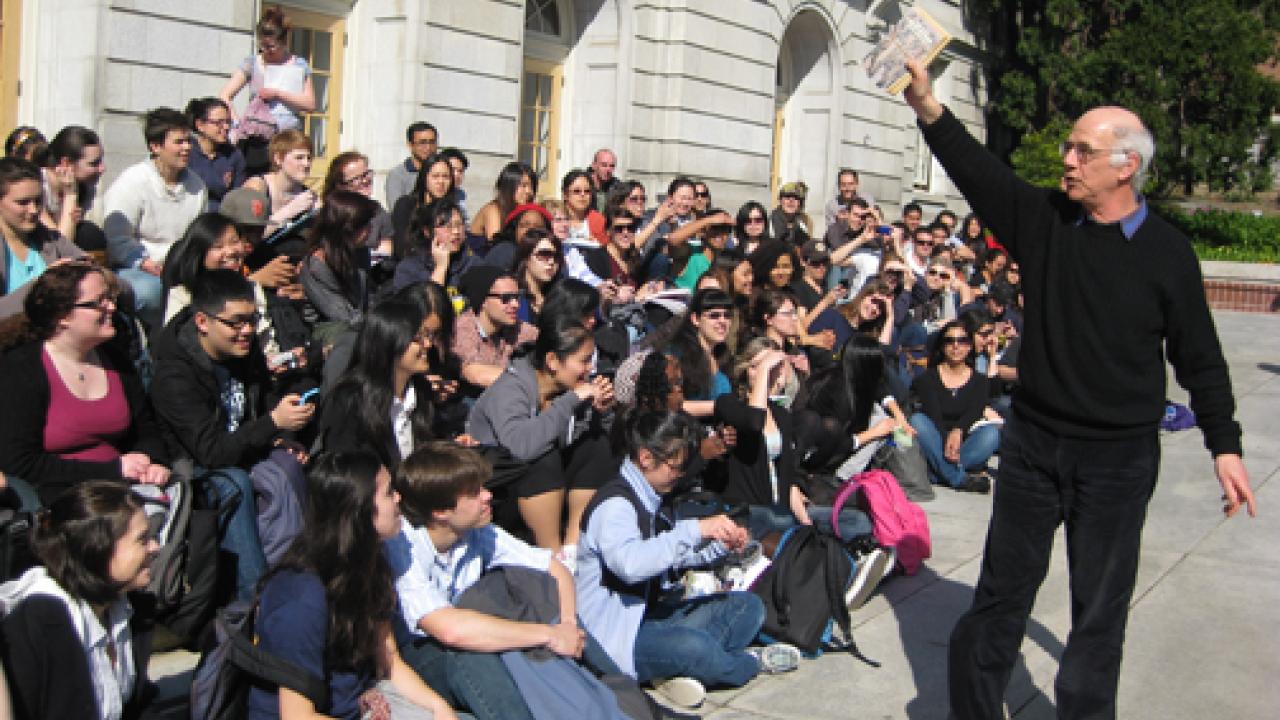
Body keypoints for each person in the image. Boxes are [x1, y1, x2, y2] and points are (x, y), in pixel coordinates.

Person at [902, 60, 1255, 719]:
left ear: (1124, 166)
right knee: (1000, 597)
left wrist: (1224, 444)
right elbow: (980, 174)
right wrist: (928, 106)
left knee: (1098, 615)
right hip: (1034, 444)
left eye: (1081, 150)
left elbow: (1199, 359)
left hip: (1116, 460)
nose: (1066, 159)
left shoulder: (1168, 254)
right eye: (1069, 145)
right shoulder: (1046, 221)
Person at [576, 410, 799, 710]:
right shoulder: (616, 506)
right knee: (695, 647)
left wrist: (720, 546)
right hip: (618, 637)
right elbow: (631, 565)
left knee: (747, 607)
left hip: (654, 615)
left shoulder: (653, 497)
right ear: (645, 457)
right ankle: (743, 663)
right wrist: (695, 529)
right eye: (676, 466)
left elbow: (673, 558)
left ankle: (676, 669)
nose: (680, 474)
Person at [387, 443, 591, 720]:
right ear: (441, 512)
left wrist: (567, 623)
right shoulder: (405, 548)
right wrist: (550, 635)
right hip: (420, 655)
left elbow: (554, 567)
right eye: (474, 493)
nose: (488, 496)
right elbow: (449, 630)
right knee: (471, 652)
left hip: (466, 634)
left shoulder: (478, 532)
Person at [249, 451, 457, 720]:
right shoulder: (301, 597)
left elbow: (388, 659)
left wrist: (440, 709)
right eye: (388, 493)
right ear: (359, 509)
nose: (398, 498)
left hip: (359, 704)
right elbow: (297, 716)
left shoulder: (370, 564)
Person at [150, 269, 315, 600]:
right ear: (202, 321)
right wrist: (272, 422)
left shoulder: (243, 351)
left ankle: (297, 578)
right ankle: (254, 599)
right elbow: (211, 453)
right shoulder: (175, 376)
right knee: (235, 483)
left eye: (252, 320)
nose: (247, 331)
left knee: (288, 464)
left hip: (239, 452)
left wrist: (280, 436)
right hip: (192, 469)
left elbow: (257, 405)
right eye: (236, 322)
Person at [0, 263, 169, 509]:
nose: (111, 307)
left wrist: (153, 463)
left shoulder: (116, 359)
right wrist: (112, 469)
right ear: (63, 316)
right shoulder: (21, 369)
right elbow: (20, 463)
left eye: (110, 299)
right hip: (61, 501)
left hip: (124, 491)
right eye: (98, 302)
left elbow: (146, 430)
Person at [0, 481, 158, 720]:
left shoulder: (126, 608)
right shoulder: (39, 623)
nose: (156, 547)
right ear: (97, 549)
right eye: (142, 539)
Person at [466, 321, 615, 557]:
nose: (590, 368)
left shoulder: (563, 390)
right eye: (584, 361)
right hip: (498, 487)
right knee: (543, 458)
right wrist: (573, 399)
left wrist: (599, 411)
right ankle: (552, 555)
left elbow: (574, 437)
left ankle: (574, 547)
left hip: (546, 484)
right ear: (553, 361)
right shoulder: (510, 389)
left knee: (596, 447)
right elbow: (521, 447)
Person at [103, 107, 208, 329]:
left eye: (189, 141)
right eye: (179, 142)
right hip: (137, 269)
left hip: (181, 267)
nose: (187, 147)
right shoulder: (131, 183)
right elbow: (117, 240)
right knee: (152, 292)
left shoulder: (197, 186)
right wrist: (145, 263)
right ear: (155, 146)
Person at [315, 296, 444, 471]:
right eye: (417, 338)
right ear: (390, 341)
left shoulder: (421, 392)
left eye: (427, 336)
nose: (428, 344)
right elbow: (347, 475)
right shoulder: (349, 401)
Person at [907, 321, 999, 493]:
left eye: (962, 340)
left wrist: (958, 431)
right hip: (935, 439)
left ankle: (939, 473)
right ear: (942, 346)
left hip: (963, 442)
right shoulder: (928, 379)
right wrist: (947, 441)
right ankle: (957, 478)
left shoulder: (979, 381)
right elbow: (934, 416)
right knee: (918, 421)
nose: (956, 346)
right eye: (949, 341)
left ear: (970, 346)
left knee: (991, 434)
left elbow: (975, 412)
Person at [1, 158, 87, 320]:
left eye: (38, 201)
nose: (34, 210)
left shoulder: (49, 239)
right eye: (23, 202)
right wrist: (41, 285)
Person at [218, 7, 316, 136]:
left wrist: (277, 94)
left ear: (284, 42)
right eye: (262, 46)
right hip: (258, 134)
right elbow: (224, 95)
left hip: (288, 136)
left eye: (271, 46)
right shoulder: (252, 63)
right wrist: (236, 122)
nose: (266, 50)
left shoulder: (298, 64)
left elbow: (310, 104)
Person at [300, 190, 378, 343]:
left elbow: (368, 300)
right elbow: (339, 313)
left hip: (359, 323)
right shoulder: (315, 265)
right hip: (330, 332)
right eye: (365, 225)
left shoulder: (359, 252)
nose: (370, 229)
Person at [449, 265, 538, 394]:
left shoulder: (514, 327)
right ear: (483, 300)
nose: (515, 304)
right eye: (506, 298)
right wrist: (535, 379)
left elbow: (545, 339)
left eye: (517, 297)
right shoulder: (462, 327)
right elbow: (475, 373)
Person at [38, 126, 107, 248]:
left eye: (101, 161)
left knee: (90, 234)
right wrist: (70, 195)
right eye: (94, 163)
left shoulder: (85, 186)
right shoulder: (38, 185)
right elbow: (60, 246)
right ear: (66, 163)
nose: (102, 169)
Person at [394, 197, 478, 294]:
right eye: (448, 226)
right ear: (427, 232)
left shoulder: (473, 265)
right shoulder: (409, 269)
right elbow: (428, 306)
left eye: (459, 224)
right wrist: (441, 267)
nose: (456, 231)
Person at [242, 130, 316, 237]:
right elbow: (249, 236)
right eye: (299, 158)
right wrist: (290, 210)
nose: (306, 164)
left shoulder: (308, 195)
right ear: (278, 159)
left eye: (309, 158)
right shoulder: (258, 186)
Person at [322, 150, 396, 257]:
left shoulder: (377, 210)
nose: (365, 181)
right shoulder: (332, 213)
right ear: (340, 186)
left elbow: (389, 249)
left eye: (366, 174)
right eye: (356, 179)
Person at [391, 152, 456, 259]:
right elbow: (400, 247)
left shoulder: (451, 210)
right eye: (435, 176)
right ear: (424, 178)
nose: (441, 182)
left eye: (446, 177)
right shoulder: (406, 205)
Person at [185, 98, 245, 211]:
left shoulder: (234, 155)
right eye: (219, 123)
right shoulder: (187, 151)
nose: (226, 127)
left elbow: (236, 196)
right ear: (200, 125)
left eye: (228, 122)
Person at [469, 162, 536, 241]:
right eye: (523, 185)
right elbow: (496, 244)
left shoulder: (524, 212)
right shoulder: (493, 210)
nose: (529, 191)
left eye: (531, 187)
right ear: (509, 186)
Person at [511, 228, 561, 324]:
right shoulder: (512, 297)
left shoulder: (559, 297)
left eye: (556, 256)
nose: (551, 262)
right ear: (525, 258)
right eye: (544, 254)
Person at [386, 122, 439, 209]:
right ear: (410, 145)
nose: (428, 147)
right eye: (422, 142)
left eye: (432, 142)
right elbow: (397, 211)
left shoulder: (440, 171)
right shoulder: (398, 175)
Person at [561, 169, 606, 246]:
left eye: (587, 191)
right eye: (577, 191)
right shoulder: (555, 218)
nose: (582, 195)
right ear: (565, 194)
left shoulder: (599, 220)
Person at [439, 147, 470, 217]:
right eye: (452, 169)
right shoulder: (431, 194)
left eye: (460, 171)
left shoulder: (460, 194)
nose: (457, 175)